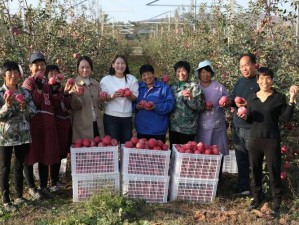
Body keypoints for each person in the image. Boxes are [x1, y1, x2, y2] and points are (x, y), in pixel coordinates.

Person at [238, 67, 299, 217]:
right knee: (255, 170)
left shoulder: (278, 97)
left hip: (271, 139)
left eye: (268, 78)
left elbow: (285, 119)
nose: (264, 81)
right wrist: (244, 115)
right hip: (255, 139)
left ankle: (277, 202)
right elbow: (251, 119)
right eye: (261, 78)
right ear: (257, 80)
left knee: (274, 171)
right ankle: (257, 198)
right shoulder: (252, 97)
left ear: (271, 80)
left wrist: (292, 99)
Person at [22, 52, 61, 200]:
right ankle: (32, 187)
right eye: (36, 64)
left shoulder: (47, 82)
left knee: (45, 154)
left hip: (48, 124)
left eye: (42, 64)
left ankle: (43, 186)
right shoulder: (29, 83)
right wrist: (37, 89)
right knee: (31, 155)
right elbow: (32, 104)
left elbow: (55, 104)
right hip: (34, 124)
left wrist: (56, 90)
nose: (40, 67)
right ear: (30, 67)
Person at [0, 61, 36, 212]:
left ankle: (19, 196)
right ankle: (6, 200)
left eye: (16, 72)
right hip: (5, 137)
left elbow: (33, 112)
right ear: (4, 74)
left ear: (19, 75)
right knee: (4, 167)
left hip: (22, 135)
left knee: (19, 165)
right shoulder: (1, 94)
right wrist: (7, 105)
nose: (13, 76)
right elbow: (1, 117)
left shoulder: (25, 92)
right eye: (10, 72)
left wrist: (24, 107)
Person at [231, 53, 260, 196]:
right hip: (237, 126)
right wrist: (227, 102)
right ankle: (244, 188)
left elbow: (263, 105)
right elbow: (232, 100)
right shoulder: (240, 82)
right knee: (241, 158)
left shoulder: (260, 82)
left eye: (246, 65)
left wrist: (248, 107)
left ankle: (256, 189)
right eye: (241, 66)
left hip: (252, 128)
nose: (244, 68)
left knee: (253, 160)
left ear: (255, 64)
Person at [99, 55, 138, 144]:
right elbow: (102, 97)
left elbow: (135, 98)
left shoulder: (132, 79)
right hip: (110, 117)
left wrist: (128, 95)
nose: (120, 66)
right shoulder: (106, 80)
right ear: (113, 65)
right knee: (112, 144)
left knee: (126, 144)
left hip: (127, 117)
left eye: (123, 63)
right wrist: (112, 96)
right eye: (117, 63)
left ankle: (124, 158)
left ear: (126, 65)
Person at [45, 65, 72, 192]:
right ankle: (52, 182)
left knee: (61, 153)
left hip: (64, 123)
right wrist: (55, 90)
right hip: (55, 124)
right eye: (51, 73)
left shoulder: (60, 88)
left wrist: (66, 93)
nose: (54, 76)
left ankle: (56, 179)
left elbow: (67, 105)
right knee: (54, 153)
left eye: (56, 73)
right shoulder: (47, 89)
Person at [195, 60, 230, 157]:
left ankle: (218, 172)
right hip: (201, 127)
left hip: (217, 127)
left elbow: (229, 102)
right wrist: (202, 106)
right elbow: (192, 106)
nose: (205, 74)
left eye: (208, 72)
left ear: (211, 73)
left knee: (218, 153)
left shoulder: (219, 88)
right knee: (202, 153)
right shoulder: (195, 89)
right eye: (203, 72)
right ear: (199, 74)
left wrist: (226, 103)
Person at [169, 61, 205, 148]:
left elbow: (200, 107)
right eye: (178, 71)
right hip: (173, 127)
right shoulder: (171, 87)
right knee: (174, 154)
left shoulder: (194, 87)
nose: (181, 74)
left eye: (183, 71)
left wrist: (191, 98)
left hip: (188, 129)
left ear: (188, 72)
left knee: (186, 155)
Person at [134, 64, 174, 143]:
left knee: (158, 154)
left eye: (149, 74)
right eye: (144, 75)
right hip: (142, 129)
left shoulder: (164, 87)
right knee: (141, 154)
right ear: (141, 77)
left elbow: (170, 105)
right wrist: (136, 106)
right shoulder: (137, 87)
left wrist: (155, 107)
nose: (147, 77)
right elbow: (130, 103)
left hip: (158, 130)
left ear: (153, 74)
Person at [70, 56, 104, 141]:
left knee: (97, 152)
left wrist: (102, 100)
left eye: (87, 67)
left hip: (97, 124)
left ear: (91, 68)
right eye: (82, 67)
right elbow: (74, 106)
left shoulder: (96, 84)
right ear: (78, 68)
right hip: (82, 127)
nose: (85, 70)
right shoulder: (74, 85)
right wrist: (78, 96)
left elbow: (100, 105)